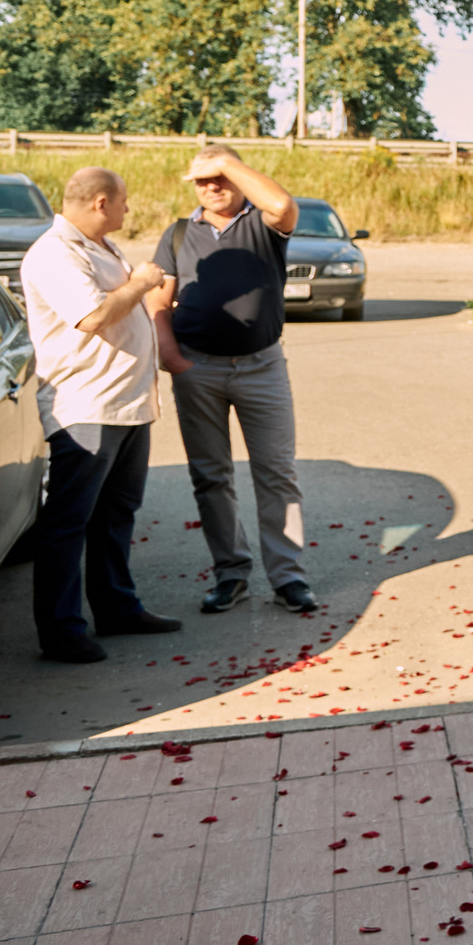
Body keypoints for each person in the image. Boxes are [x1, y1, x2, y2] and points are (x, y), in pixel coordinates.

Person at [16, 167, 183, 662]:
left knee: (116, 514)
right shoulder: (55, 253)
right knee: (68, 521)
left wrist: (142, 292)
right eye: (124, 201)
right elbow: (91, 316)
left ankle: (116, 607)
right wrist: (142, 282)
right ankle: (61, 630)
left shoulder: (98, 245)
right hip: (87, 405)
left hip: (125, 404)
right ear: (101, 202)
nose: (129, 210)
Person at [152, 144, 316, 615]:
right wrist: (169, 353)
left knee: (276, 472)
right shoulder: (180, 233)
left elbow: (283, 206)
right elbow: (161, 302)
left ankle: (288, 578)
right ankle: (231, 573)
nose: (211, 187)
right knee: (210, 475)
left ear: (238, 178)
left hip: (262, 367)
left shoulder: (263, 224)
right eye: (202, 180)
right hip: (197, 368)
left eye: (220, 177)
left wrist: (225, 161)